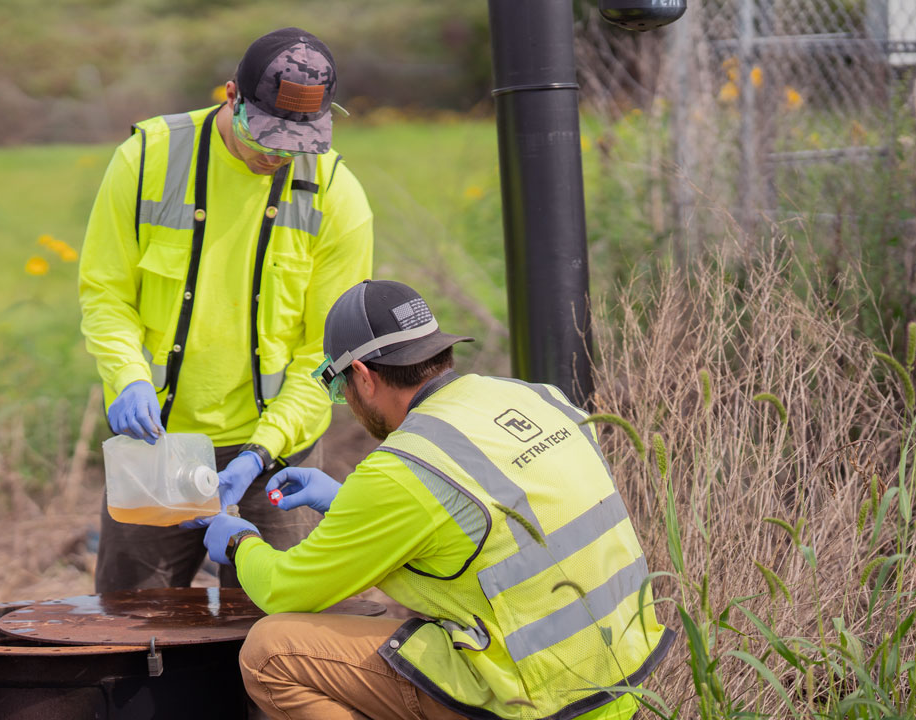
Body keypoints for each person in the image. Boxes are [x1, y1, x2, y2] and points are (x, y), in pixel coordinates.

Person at [200, 280, 674, 720]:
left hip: (533, 697)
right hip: (623, 677)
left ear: (363, 376)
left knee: (269, 653)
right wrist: (345, 501)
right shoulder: (536, 397)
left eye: (339, 386)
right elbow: (490, 526)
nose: (348, 398)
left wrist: (241, 540)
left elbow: (285, 589)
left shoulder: (403, 466)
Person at [78, 27, 374, 592]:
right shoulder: (146, 160)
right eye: (266, 137)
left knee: (274, 630)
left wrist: (263, 449)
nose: (278, 154)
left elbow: (327, 356)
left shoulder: (338, 196)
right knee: (128, 625)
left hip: (278, 454)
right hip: (156, 445)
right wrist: (127, 379)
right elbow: (106, 293)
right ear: (232, 96)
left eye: (297, 142)